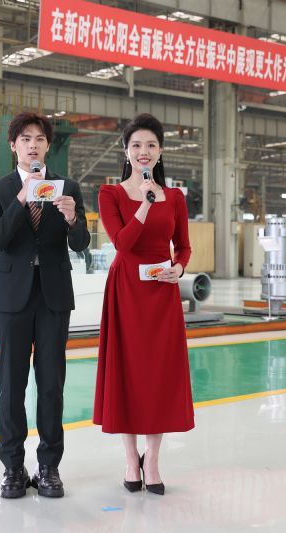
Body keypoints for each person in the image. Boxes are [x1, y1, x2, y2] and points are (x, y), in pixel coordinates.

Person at [0, 112, 91, 499]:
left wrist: (73, 218)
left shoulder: (68, 187)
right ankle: (13, 467)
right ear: (13, 145)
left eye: (40, 139)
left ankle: (48, 467)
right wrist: (22, 196)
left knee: (51, 385)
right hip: (12, 298)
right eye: (25, 138)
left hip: (53, 297)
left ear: (48, 145)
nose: (33, 145)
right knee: (11, 386)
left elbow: (81, 244)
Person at [92, 113, 194, 495]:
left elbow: (183, 245)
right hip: (126, 292)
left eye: (151, 144)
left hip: (161, 293)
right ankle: (129, 459)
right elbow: (122, 242)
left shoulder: (176, 198)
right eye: (136, 145)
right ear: (126, 151)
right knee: (128, 371)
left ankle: (151, 460)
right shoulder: (111, 194)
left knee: (159, 375)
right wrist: (145, 205)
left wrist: (179, 268)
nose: (144, 151)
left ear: (161, 151)